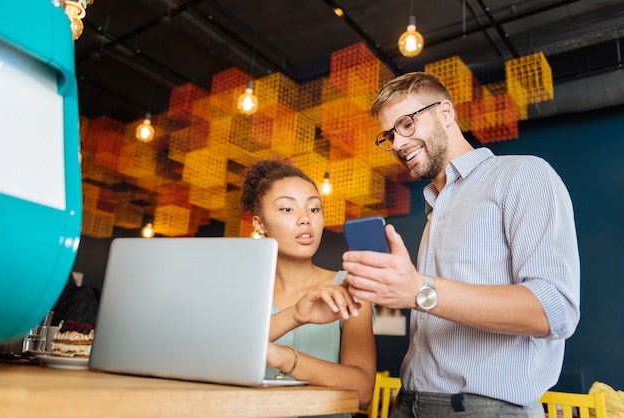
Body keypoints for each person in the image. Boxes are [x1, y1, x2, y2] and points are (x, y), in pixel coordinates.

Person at [342, 72, 580, 417]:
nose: (396, 144)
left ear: (446, 113)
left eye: (406, 124)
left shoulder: (523, 175)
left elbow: (554, 308)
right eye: (389, 135)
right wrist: (380, 294)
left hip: (484, 410)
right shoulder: (434, 209)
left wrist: (418, 290)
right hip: (409, 403)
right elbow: (423, 313)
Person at [239, 157, 376, 416]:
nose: (305, 219)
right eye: (287, 209)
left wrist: (282, 358)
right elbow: (221, 354)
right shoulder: (243, 290)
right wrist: (295, 316)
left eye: (314, 209)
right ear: (259, 224)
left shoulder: (350, 287)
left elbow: (363, 391)